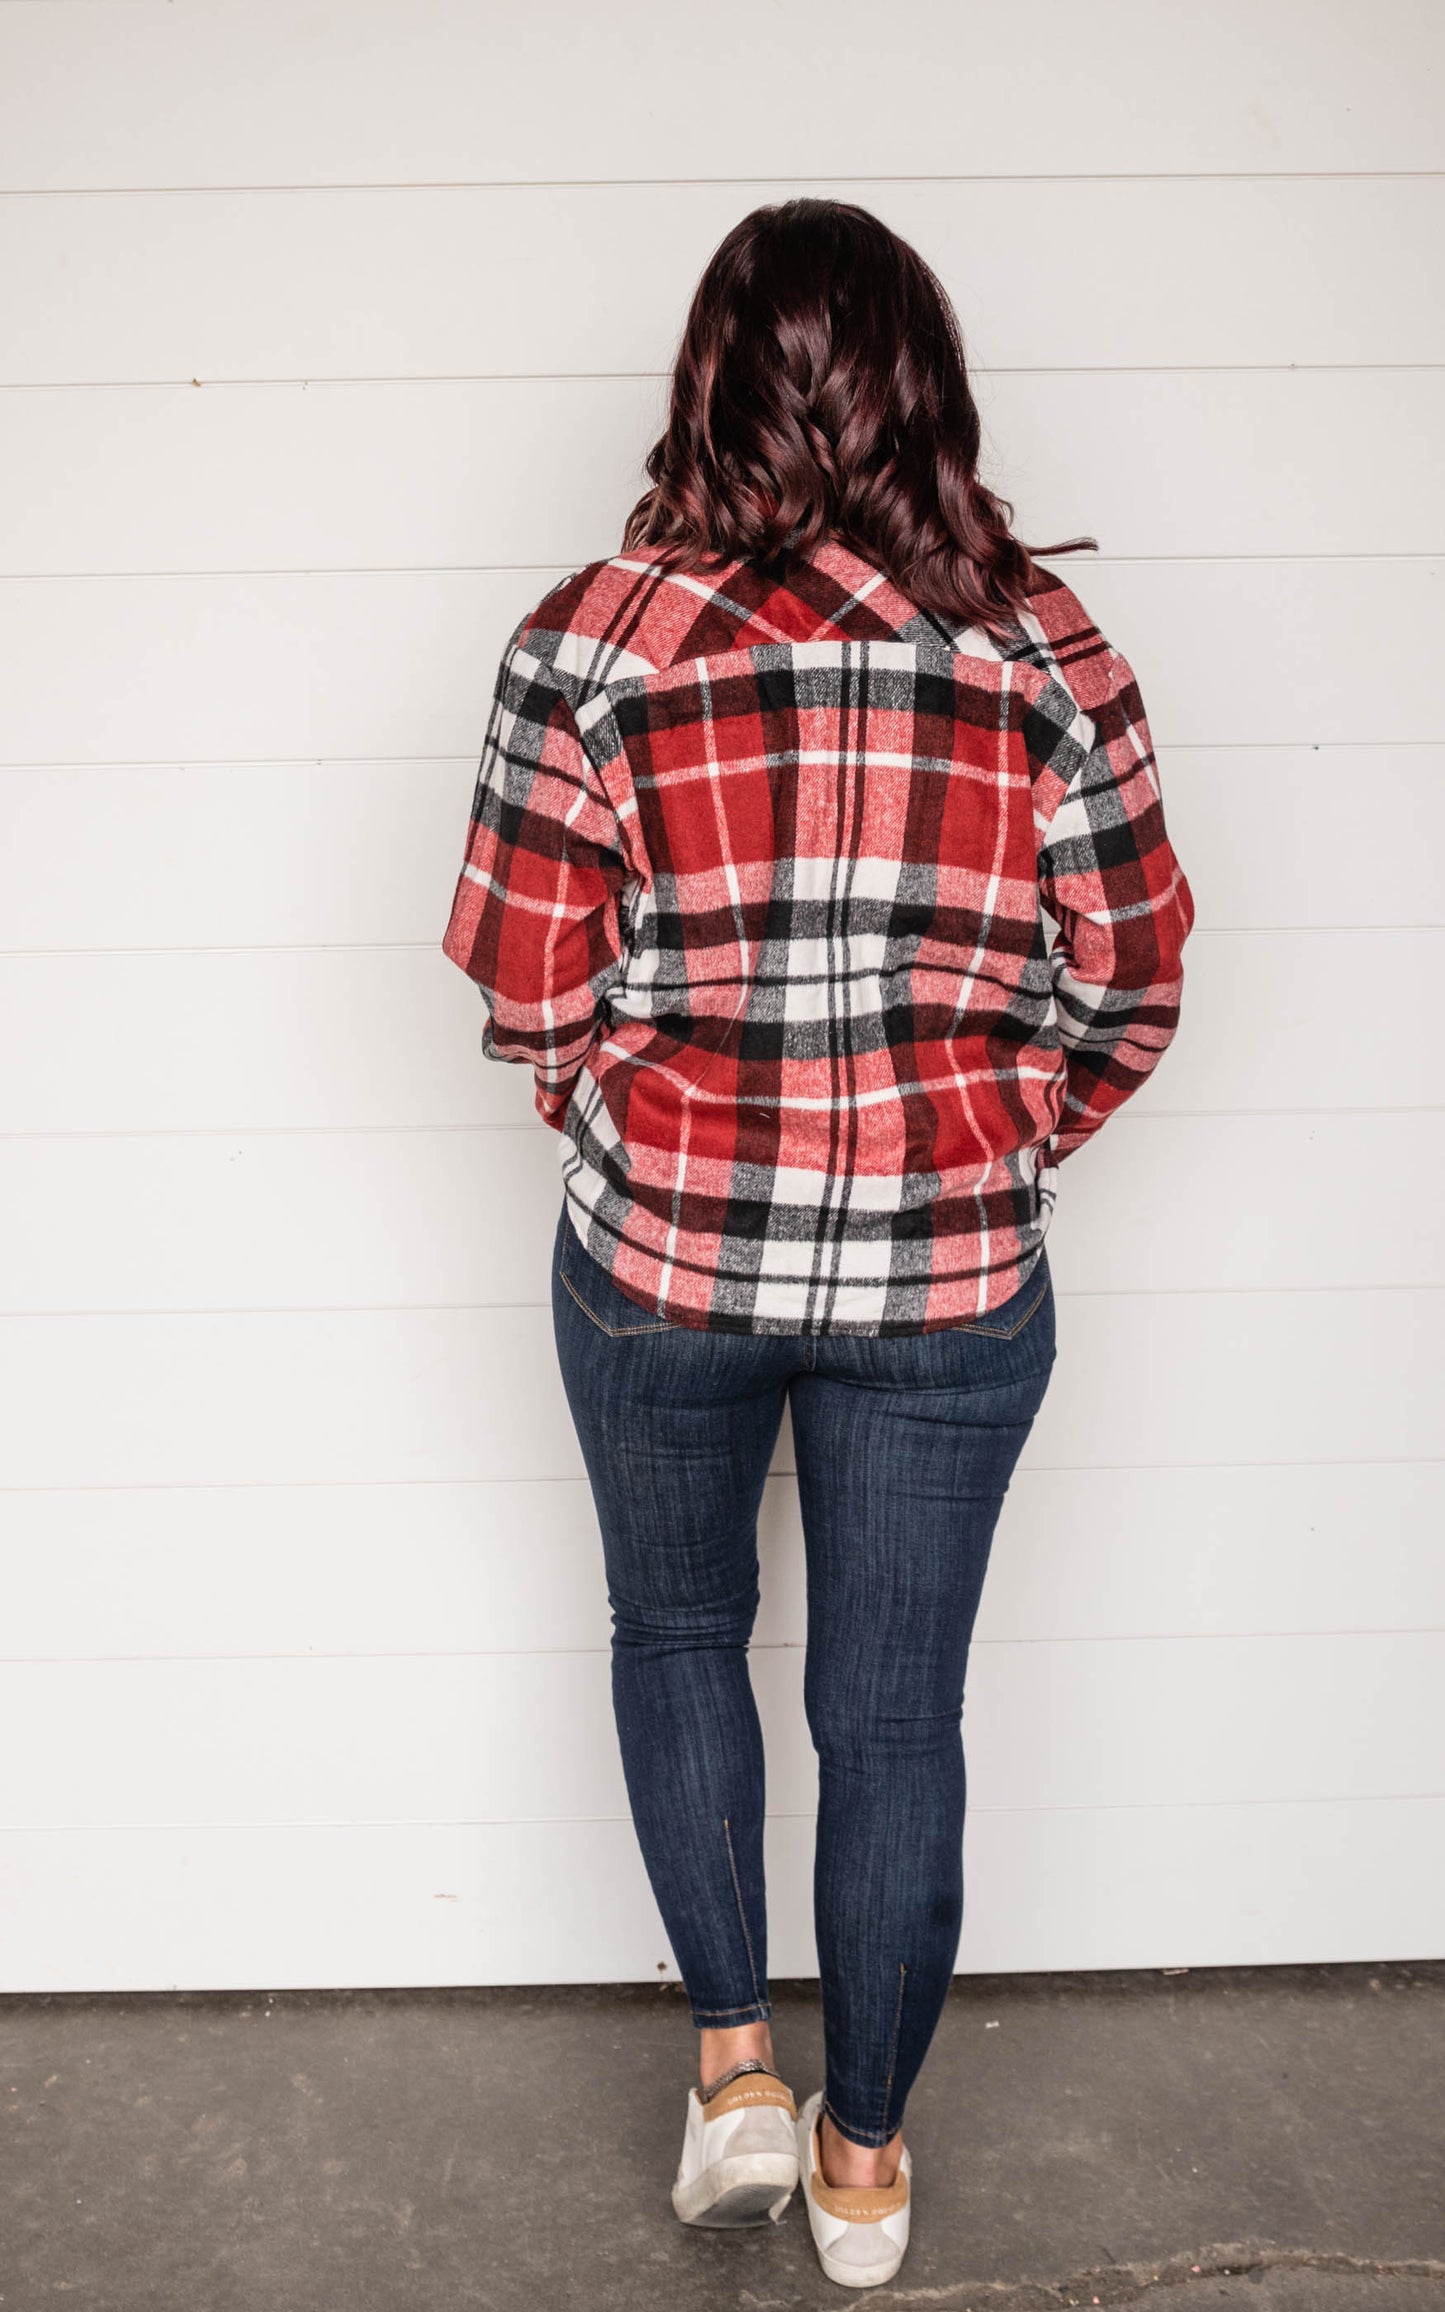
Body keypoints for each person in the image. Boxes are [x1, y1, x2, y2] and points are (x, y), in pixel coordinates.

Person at [442, 197, 1194, 2290]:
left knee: (677, 1634)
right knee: (900, 1719)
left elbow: (522, 985)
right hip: (949, 1276)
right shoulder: (1051, 653)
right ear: (927, 391)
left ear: (708, 386)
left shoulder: (594, 639)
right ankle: (868, 2169)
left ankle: (734, 2076)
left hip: (664, 1259)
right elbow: (1132, 977)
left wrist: (627, 1112)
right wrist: (1007, 1125)